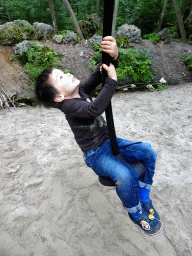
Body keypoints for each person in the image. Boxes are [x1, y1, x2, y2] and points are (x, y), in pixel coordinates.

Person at [35, 36, 162, 236]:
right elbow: (94, 109)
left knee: (148, 151)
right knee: (125, 175)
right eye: (61, 78)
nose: (67, 74)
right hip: (96, 154)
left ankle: (145, 196)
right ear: (59, 97)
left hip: (109, 141)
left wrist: (113, 56)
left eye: (63, 72)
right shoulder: (68, 106)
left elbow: (100, 72)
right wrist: (112, 81)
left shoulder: (81, 90)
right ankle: (135, 211)